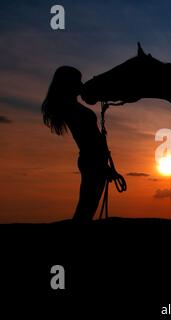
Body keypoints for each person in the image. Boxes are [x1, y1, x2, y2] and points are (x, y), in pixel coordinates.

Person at [42, 66, 109, 221]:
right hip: (93, 161)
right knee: (86, 210)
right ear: (69, 84)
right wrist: (103, 166)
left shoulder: (71, 106)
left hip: (92, 160)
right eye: (77, 80)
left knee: (87, 207)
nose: (80, 83)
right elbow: (90, 141)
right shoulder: (71, 108)